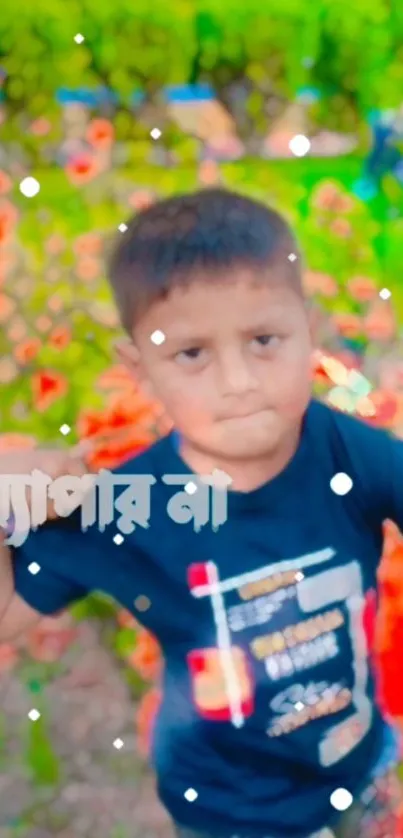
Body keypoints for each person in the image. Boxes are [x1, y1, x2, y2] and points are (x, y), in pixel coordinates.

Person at [0, 188, 402, 838]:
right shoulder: (127, 504)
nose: (237, 379)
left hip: (361, 768)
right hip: (233, 812)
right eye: (192, 354)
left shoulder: (347, 450)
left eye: (264, 339)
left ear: (309, 330)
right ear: (141, 370)